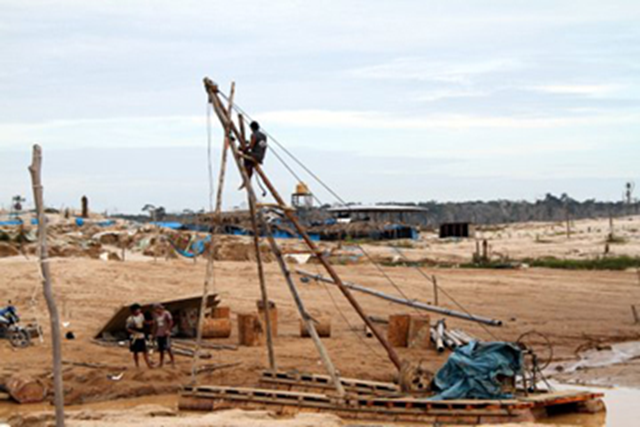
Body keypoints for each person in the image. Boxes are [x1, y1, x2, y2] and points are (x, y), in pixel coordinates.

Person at [239, 121, 268, 190]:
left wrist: (244, 148)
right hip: (261, 156)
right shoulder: (264, 136)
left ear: (251, 128)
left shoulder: (254, 135)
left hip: (255, 155)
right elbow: (263, 146)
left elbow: (251, 146)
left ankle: (247, 178)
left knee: (245, 159)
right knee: (249, 162)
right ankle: (248, 178)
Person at [126, 303, 153, 368]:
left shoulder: (142, 316)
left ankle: (148, 364)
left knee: (145, 351)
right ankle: (137, 365)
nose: (139, 311)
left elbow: (146, 323)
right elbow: (128, 328)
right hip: (135, 337)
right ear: (133, 311)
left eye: (139, 309)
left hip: (141, 336)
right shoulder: (130, 319)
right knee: (135, 352)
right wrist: (134, 332)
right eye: (137, 310)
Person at [152, 303, 175, 368]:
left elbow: (170, 322)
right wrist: (153, 333)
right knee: (161, 349)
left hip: (165, 333)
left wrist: (168, 330)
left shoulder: (166, 313)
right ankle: (161, 362)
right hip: (159, 333)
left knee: (168, 348)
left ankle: (172, 362)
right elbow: (155, 324)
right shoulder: (155, 315)